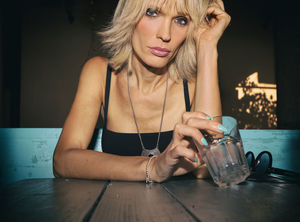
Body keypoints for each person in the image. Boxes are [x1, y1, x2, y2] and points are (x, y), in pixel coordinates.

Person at [53, 0, 231, 183]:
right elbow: (62, 161)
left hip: (183, 209)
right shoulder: (99, 73)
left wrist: (207, 46)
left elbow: (209, 167)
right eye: (152, 13)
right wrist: (153, 168)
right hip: (115, 209)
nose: (165, 34)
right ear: (128, 16)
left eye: (181, 20)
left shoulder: (193, 82)